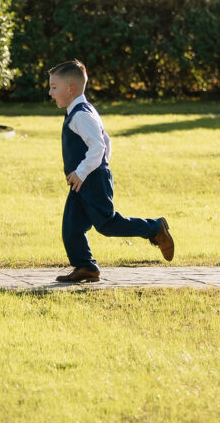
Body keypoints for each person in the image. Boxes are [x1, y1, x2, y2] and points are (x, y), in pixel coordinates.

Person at [48, 59, 174, 283]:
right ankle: (86, 267)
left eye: (54, 87)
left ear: (71, 88)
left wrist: (88, 171)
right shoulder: (79, 110)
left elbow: (99, 145)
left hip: (91, 180)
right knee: (71, 227)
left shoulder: (81, 115)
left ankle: (155, 228)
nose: (50, 92)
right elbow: (107, 140)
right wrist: (89, 171)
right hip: (83, 181)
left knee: (107, 224)